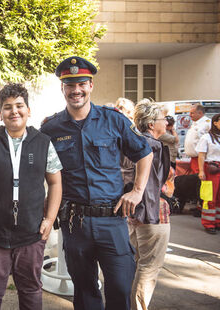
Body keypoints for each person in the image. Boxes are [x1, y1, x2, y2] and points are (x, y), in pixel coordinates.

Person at [40, 56, 153, 310]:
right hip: (74, 222)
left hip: (111, 220)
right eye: (70, 85)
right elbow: (35, 167)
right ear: (62, 89)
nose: (76, 90)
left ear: (90, 85)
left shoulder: (114, 120)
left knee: (121, 285)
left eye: (81, 83)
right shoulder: (51, 128)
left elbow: (145, 153)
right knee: (85, 290)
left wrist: (137, 191)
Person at [0, 83, 63, 310]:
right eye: (7, 107)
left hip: (31, 231)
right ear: (0, 113)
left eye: (19, 106)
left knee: (30, 288)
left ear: (29, 110)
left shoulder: (43, 143)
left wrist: (49, 219)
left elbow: (56, 182)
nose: (14, 111)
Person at [129, 99, 171, 310]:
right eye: (164, 119)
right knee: (149, 266)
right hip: (152, 213)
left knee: (135, 264)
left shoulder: (133, 142)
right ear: (152, 123)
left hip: (133, 212)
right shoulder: (153, 146)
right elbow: (153, 185)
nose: (167, 123)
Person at [196, 113, 220, 235]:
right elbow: (201, 155)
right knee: (209, 197)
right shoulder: (207, 137)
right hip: (211, 170)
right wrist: (201, 171)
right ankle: (209, 223)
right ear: (215, 123)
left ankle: (218, 221)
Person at [184, 104, 211, 173]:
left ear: (200, 113)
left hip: (202, 160)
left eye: (192, 113)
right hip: (193, 159)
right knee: (196, 182)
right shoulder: (195, 123)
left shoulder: (207, 123)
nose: (190, 115)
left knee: (202, 182)